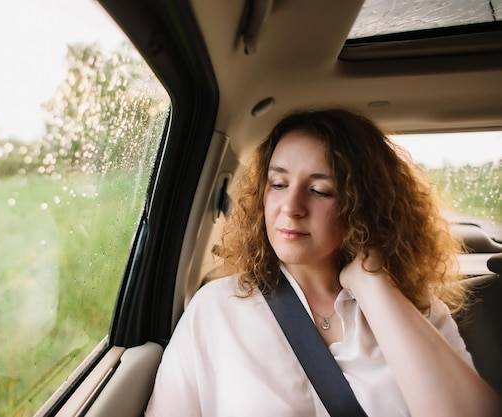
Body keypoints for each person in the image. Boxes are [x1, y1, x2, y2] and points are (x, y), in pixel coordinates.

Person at [145, 108, 501, 417]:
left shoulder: (420, 311)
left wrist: (371, 282)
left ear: (363, 205)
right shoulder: (214, 310)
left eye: (320, 190)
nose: (291, 206)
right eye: (279, 183)